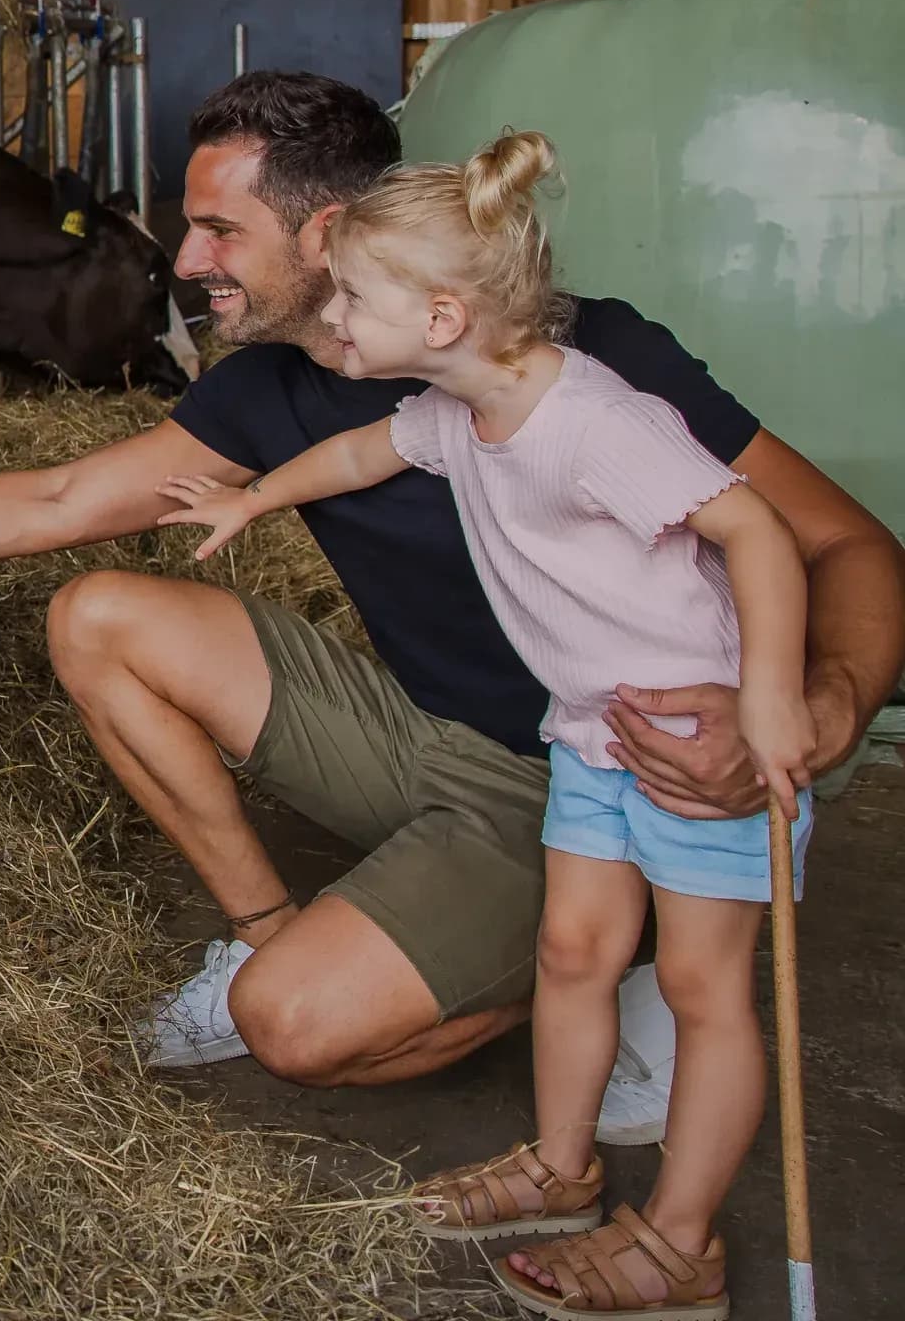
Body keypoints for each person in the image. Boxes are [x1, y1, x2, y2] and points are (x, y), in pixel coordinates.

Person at [0, 72, 901, 1116]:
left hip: (601, 762)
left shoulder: (588, 361)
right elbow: (58, 503)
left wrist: (811, 711)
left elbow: (848, 544)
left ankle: (608, 939)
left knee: (301, 1029)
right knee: (98, 612)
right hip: (431, 734)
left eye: (220, 230)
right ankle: (274, 929)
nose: (187, 257)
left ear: (326, 235)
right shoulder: (273, 383)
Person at [160, 131, 805, 1316]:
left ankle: (679, 1238)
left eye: (353, 295)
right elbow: (357, 451)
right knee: (572, 952)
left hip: (697, 753)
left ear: (445, 317)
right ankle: (564, 1163)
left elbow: (756, 531)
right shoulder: (462, 412)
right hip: (591, 739)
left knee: (712, 993)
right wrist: (256, 495)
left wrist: (769, 695)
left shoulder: (601, 419)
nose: (334, 315)